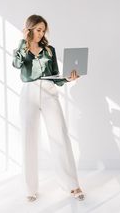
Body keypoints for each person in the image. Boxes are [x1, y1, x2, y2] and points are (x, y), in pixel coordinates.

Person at [12, 14, 85, 202]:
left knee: (59, 136)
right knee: (28, 139)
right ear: (29, 29)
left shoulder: (49, 50)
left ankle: (72, 185)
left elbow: (55, 76)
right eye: (38, 30)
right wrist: (23, 42)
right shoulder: (22, 49)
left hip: (49, 91)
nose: (41, 33)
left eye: (43, 30)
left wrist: (68, 78)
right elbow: (16, 64)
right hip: (28, 93)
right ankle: (30, 189)